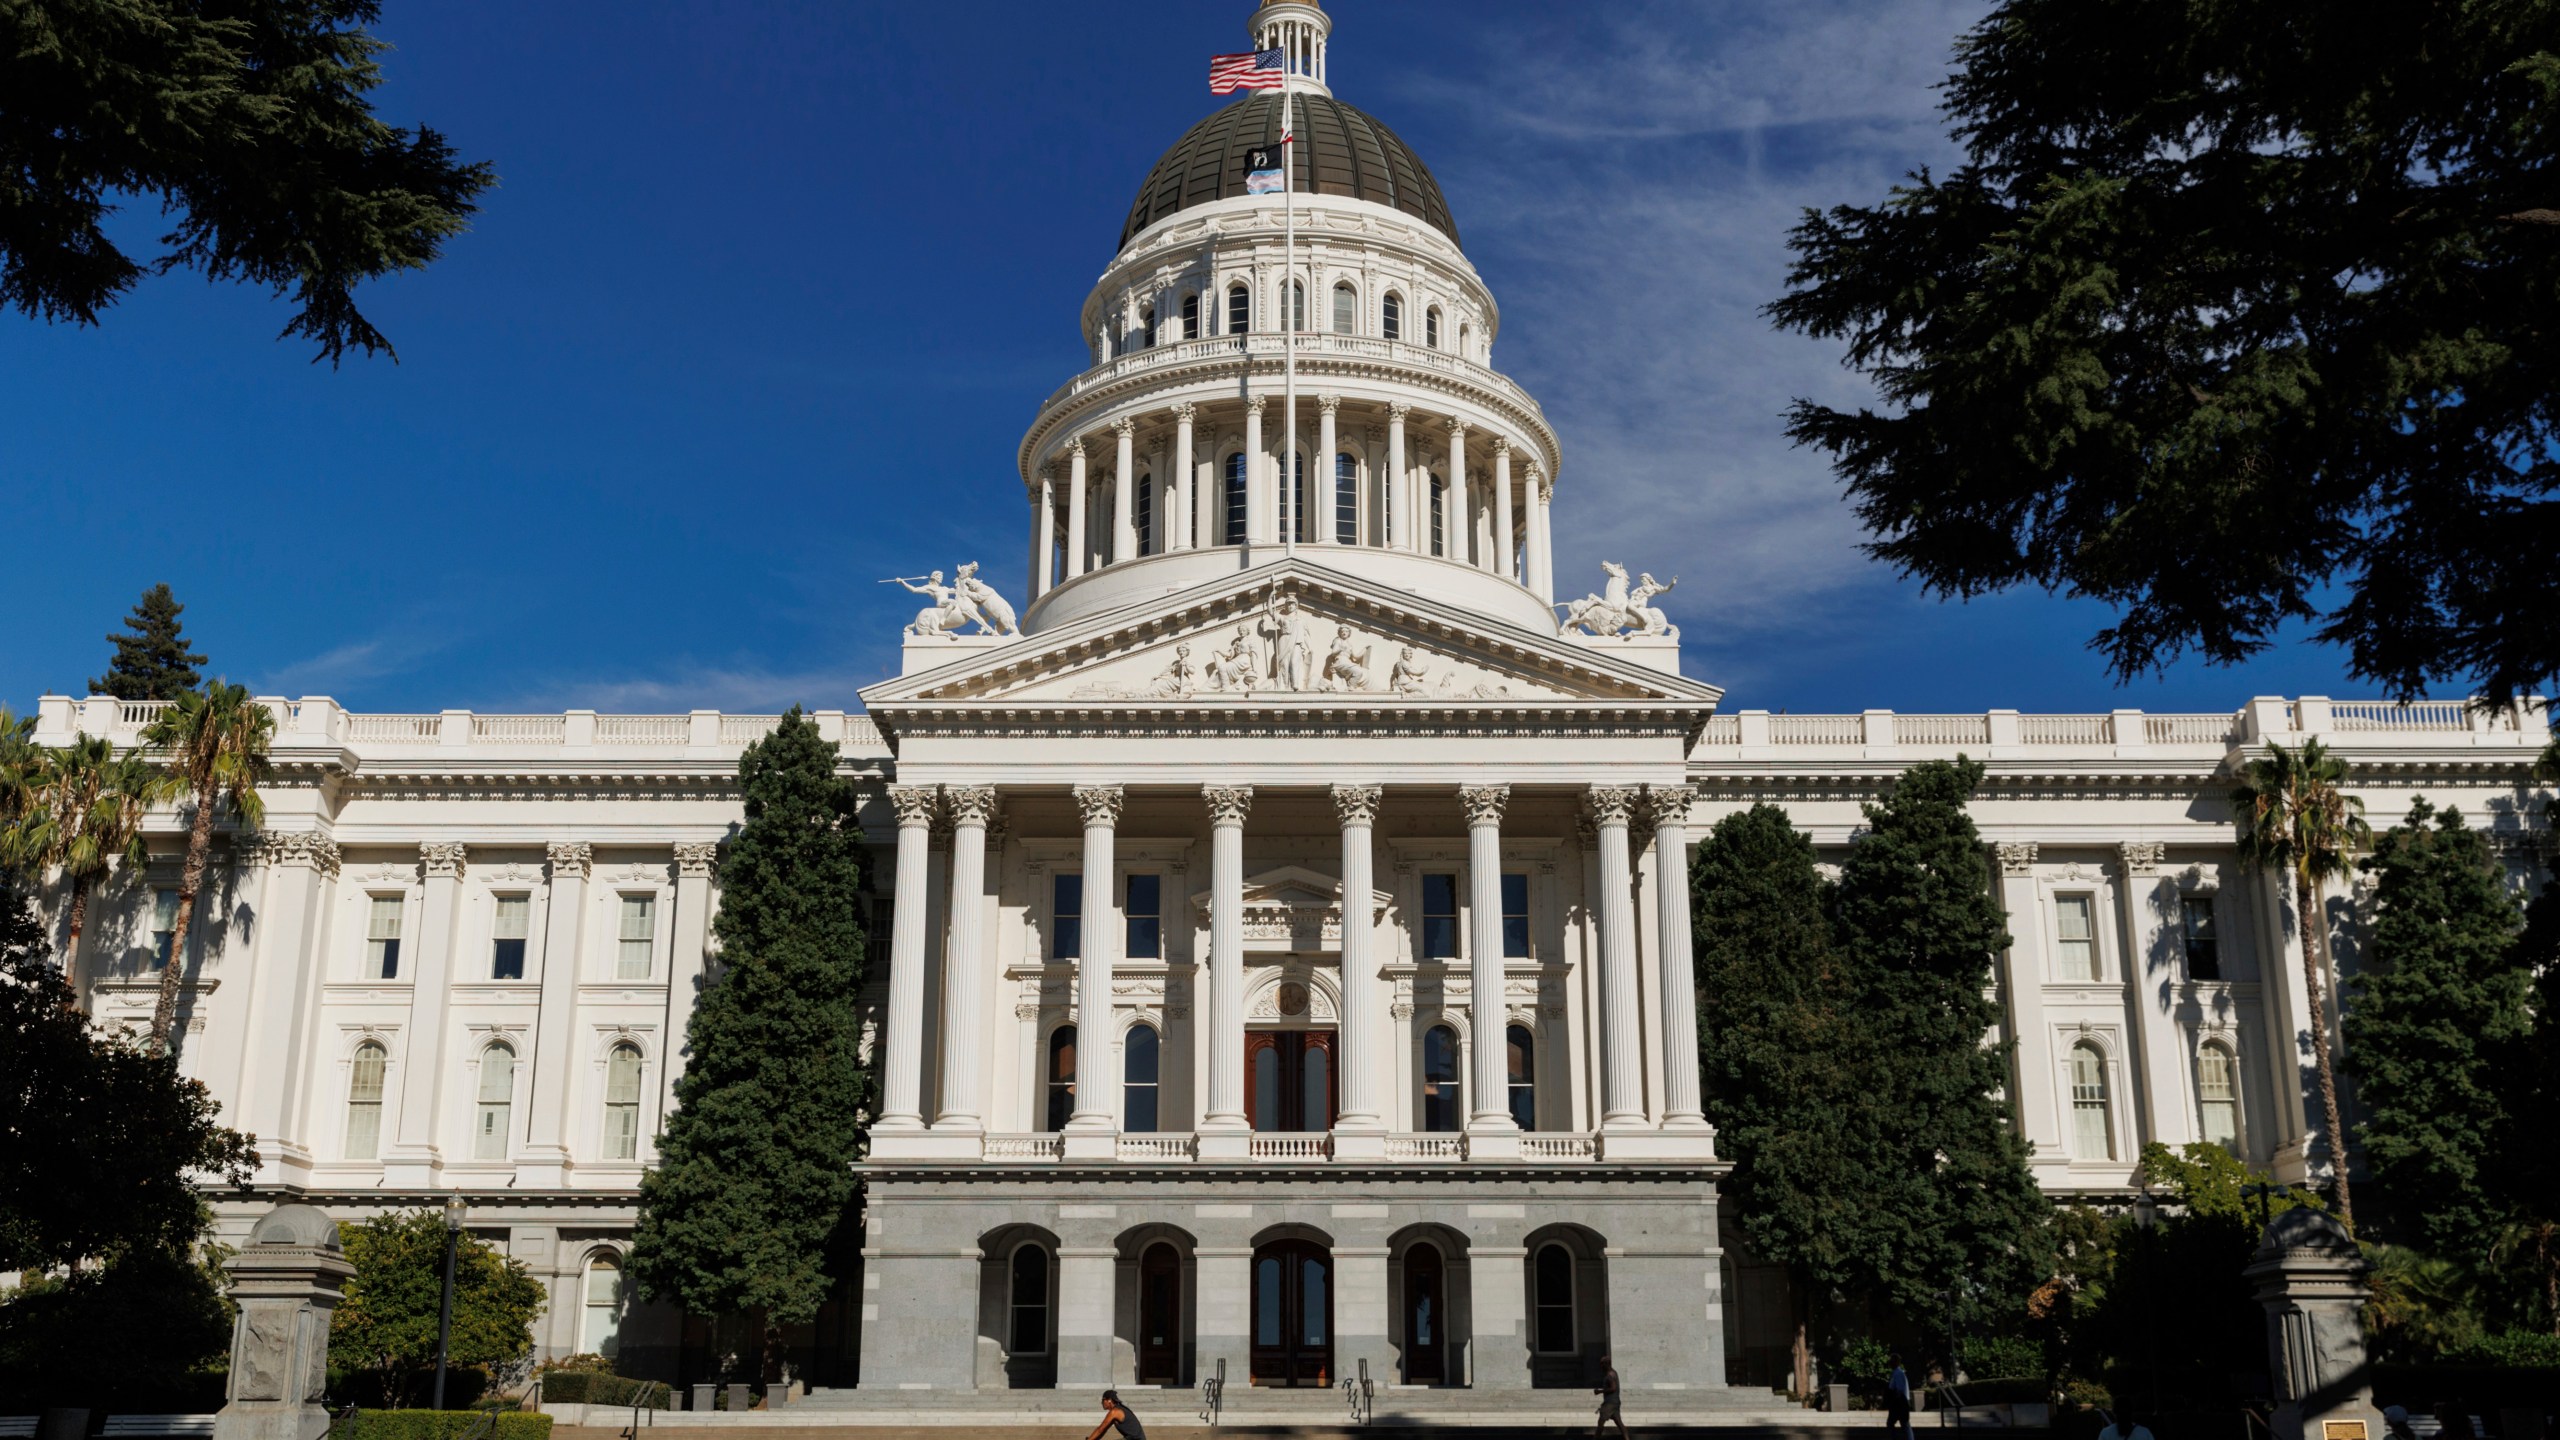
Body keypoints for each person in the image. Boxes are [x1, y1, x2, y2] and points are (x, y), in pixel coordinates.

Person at [1594, 1354, 1626, 1440]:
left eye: (1602, 1364)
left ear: (1606, 1364)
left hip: (1610, 1404)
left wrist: (1599, 1391)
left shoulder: (1609, 1375)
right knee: (1619, 1423)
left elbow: (1613, 1388)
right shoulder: (1614, 1372)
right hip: (1615, 1402)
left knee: (1601, 1422)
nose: (1601, 1366)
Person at [1885, 1357, 1914, 1440]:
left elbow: (1899, 1389)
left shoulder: (1898, 1373)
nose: (1889, 1364)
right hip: (1899, 1402)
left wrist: (1894, 1400)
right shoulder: (1897, 1373)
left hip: (1899, 1402)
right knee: (1903, 1424)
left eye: (1891, 1361)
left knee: (1899, 1424)